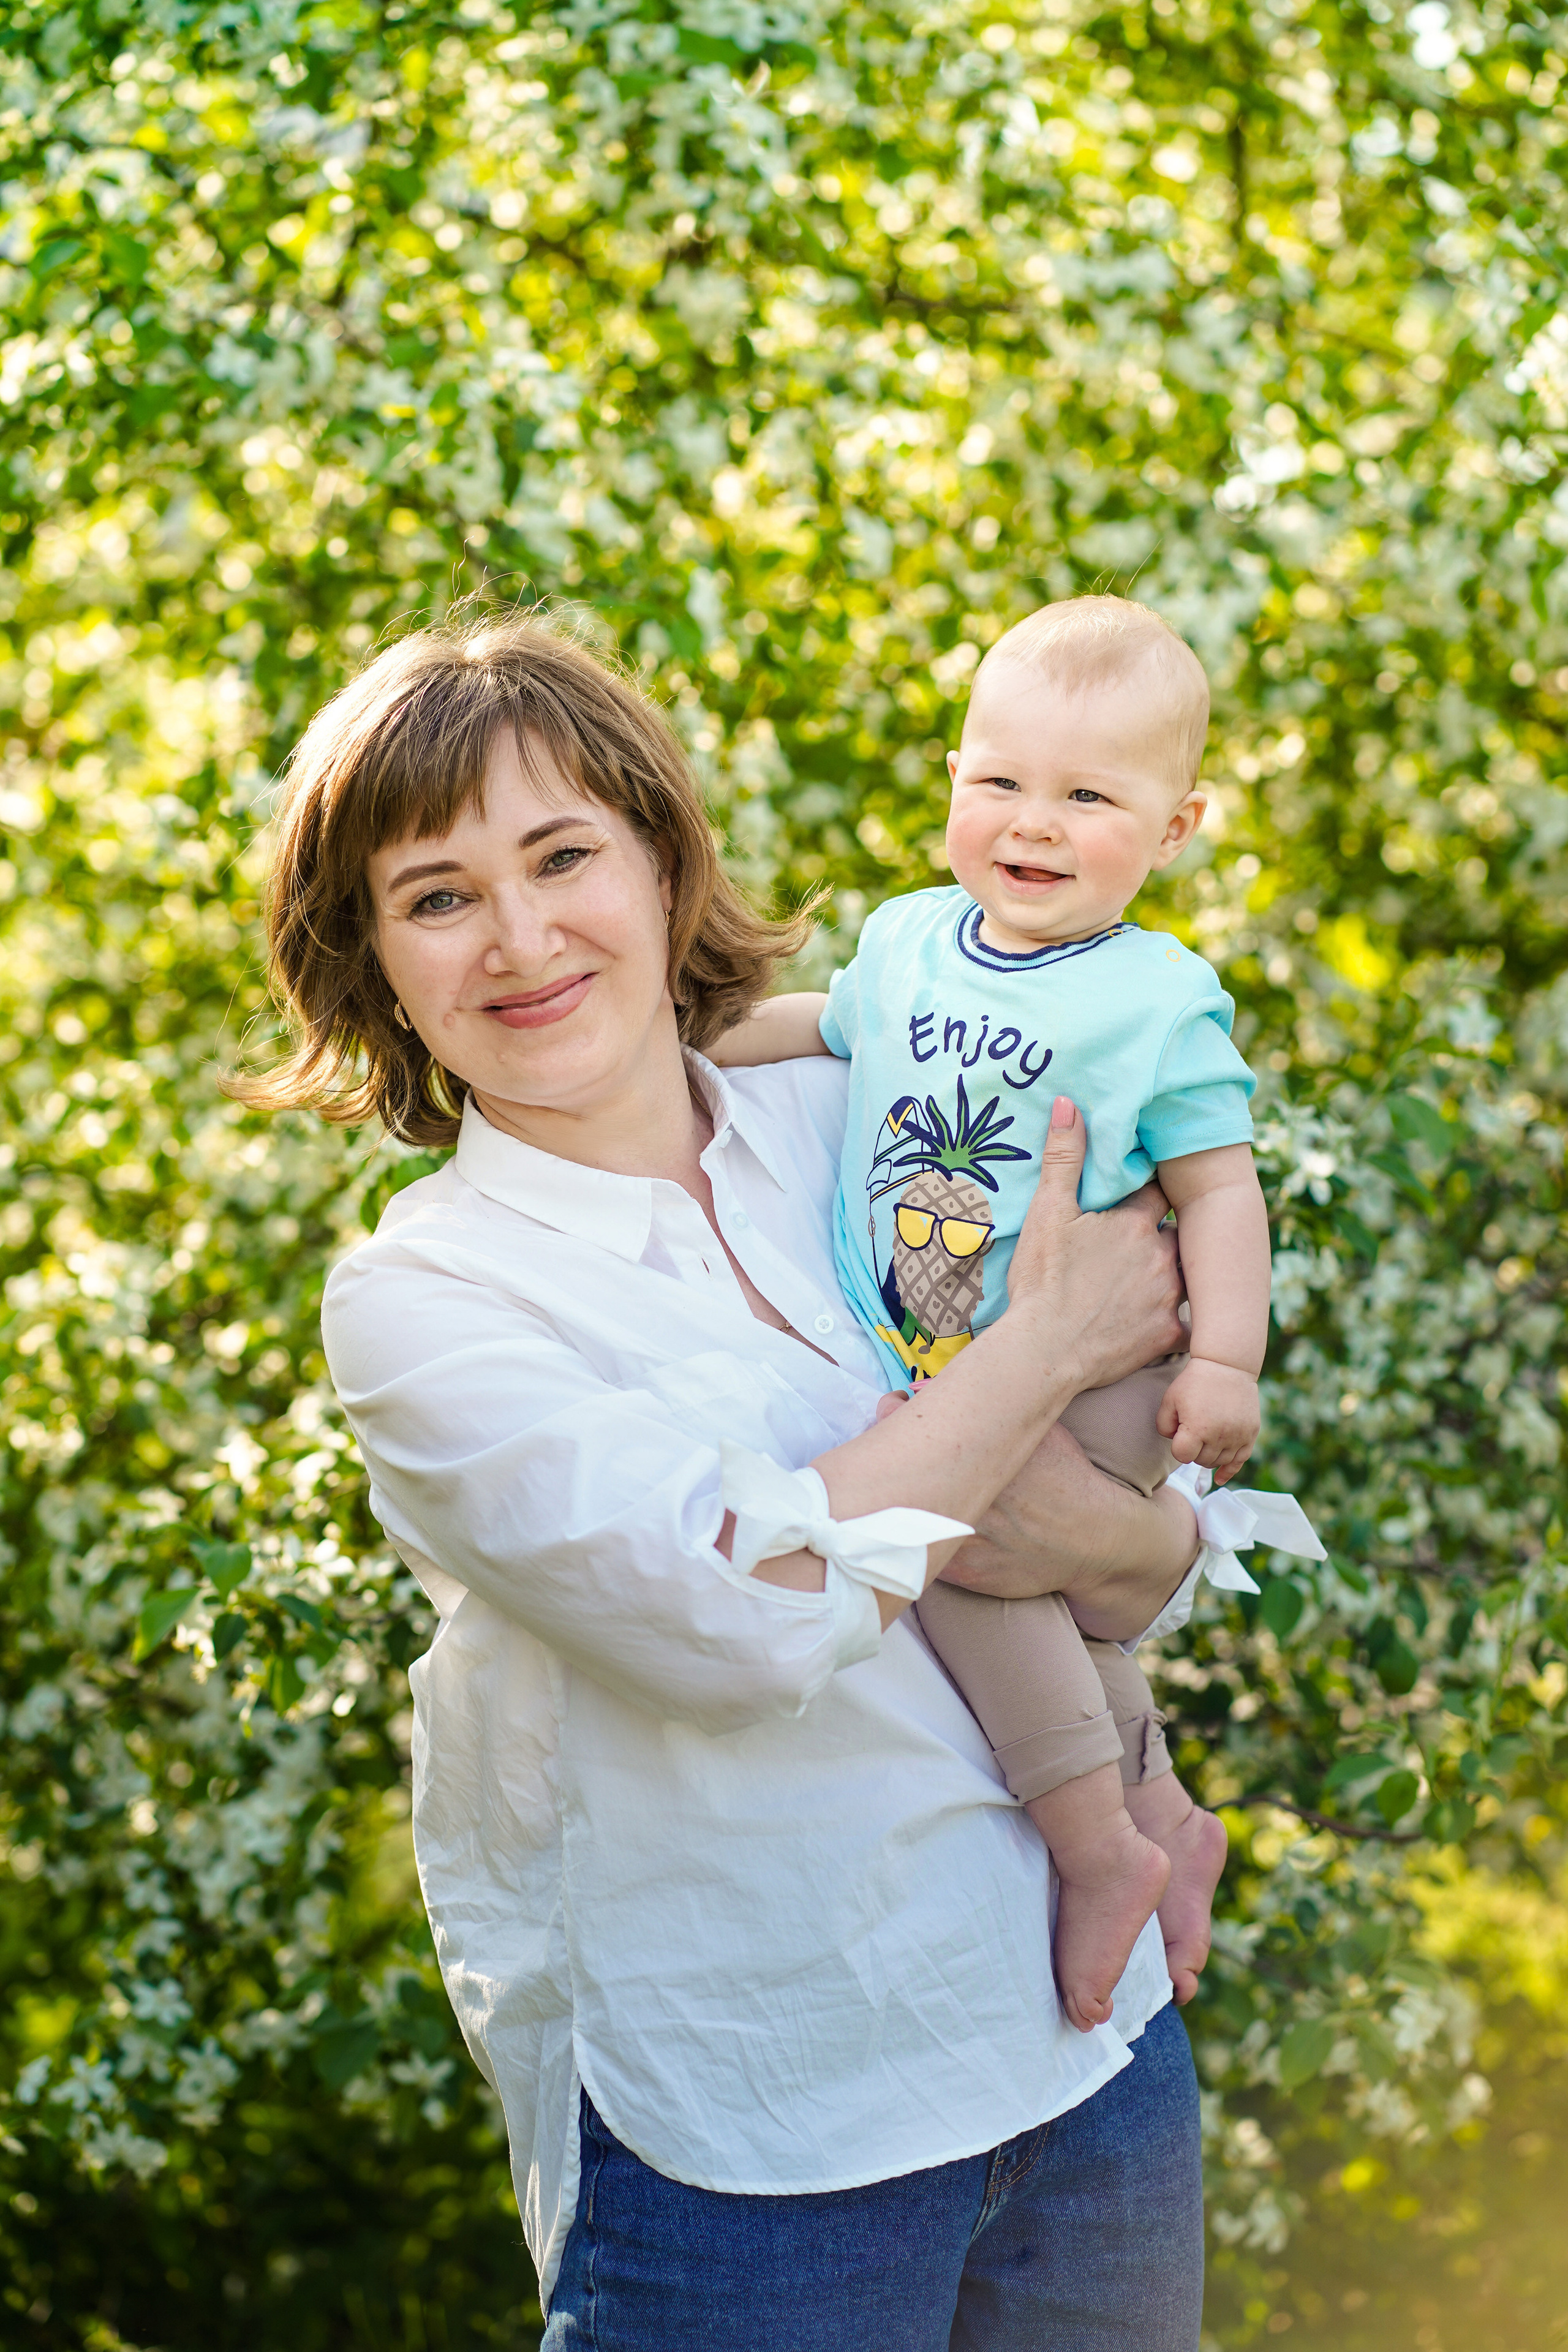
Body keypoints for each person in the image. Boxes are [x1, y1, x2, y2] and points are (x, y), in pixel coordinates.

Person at [235, 612, 1208, 2350]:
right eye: (437, 894)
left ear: (662, 861)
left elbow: (1141, 1555)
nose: (523, 938)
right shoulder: (427, 1298)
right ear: (367, 957)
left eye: (561, 855)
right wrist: (1036, 1357)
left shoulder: (858, 1112)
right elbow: (737, 1623)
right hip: (764, 2139)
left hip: (1094, 2063)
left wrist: (1133, 1623)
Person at [709, 594, 1275, 2035]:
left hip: (1098, 1360)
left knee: (963, 1554)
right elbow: (823, 1024)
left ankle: (1100, 1853)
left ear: (1174, 828)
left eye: (1088, 795)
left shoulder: (1158, 999)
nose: (1032, 822)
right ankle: (1166, 1813)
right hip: (946, 1337)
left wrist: (1223, 1359)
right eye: (999, 780)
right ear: (951, 781)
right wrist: (670, 1033)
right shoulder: (905, 942)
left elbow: (1219, 1191)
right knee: (1051, 1615)